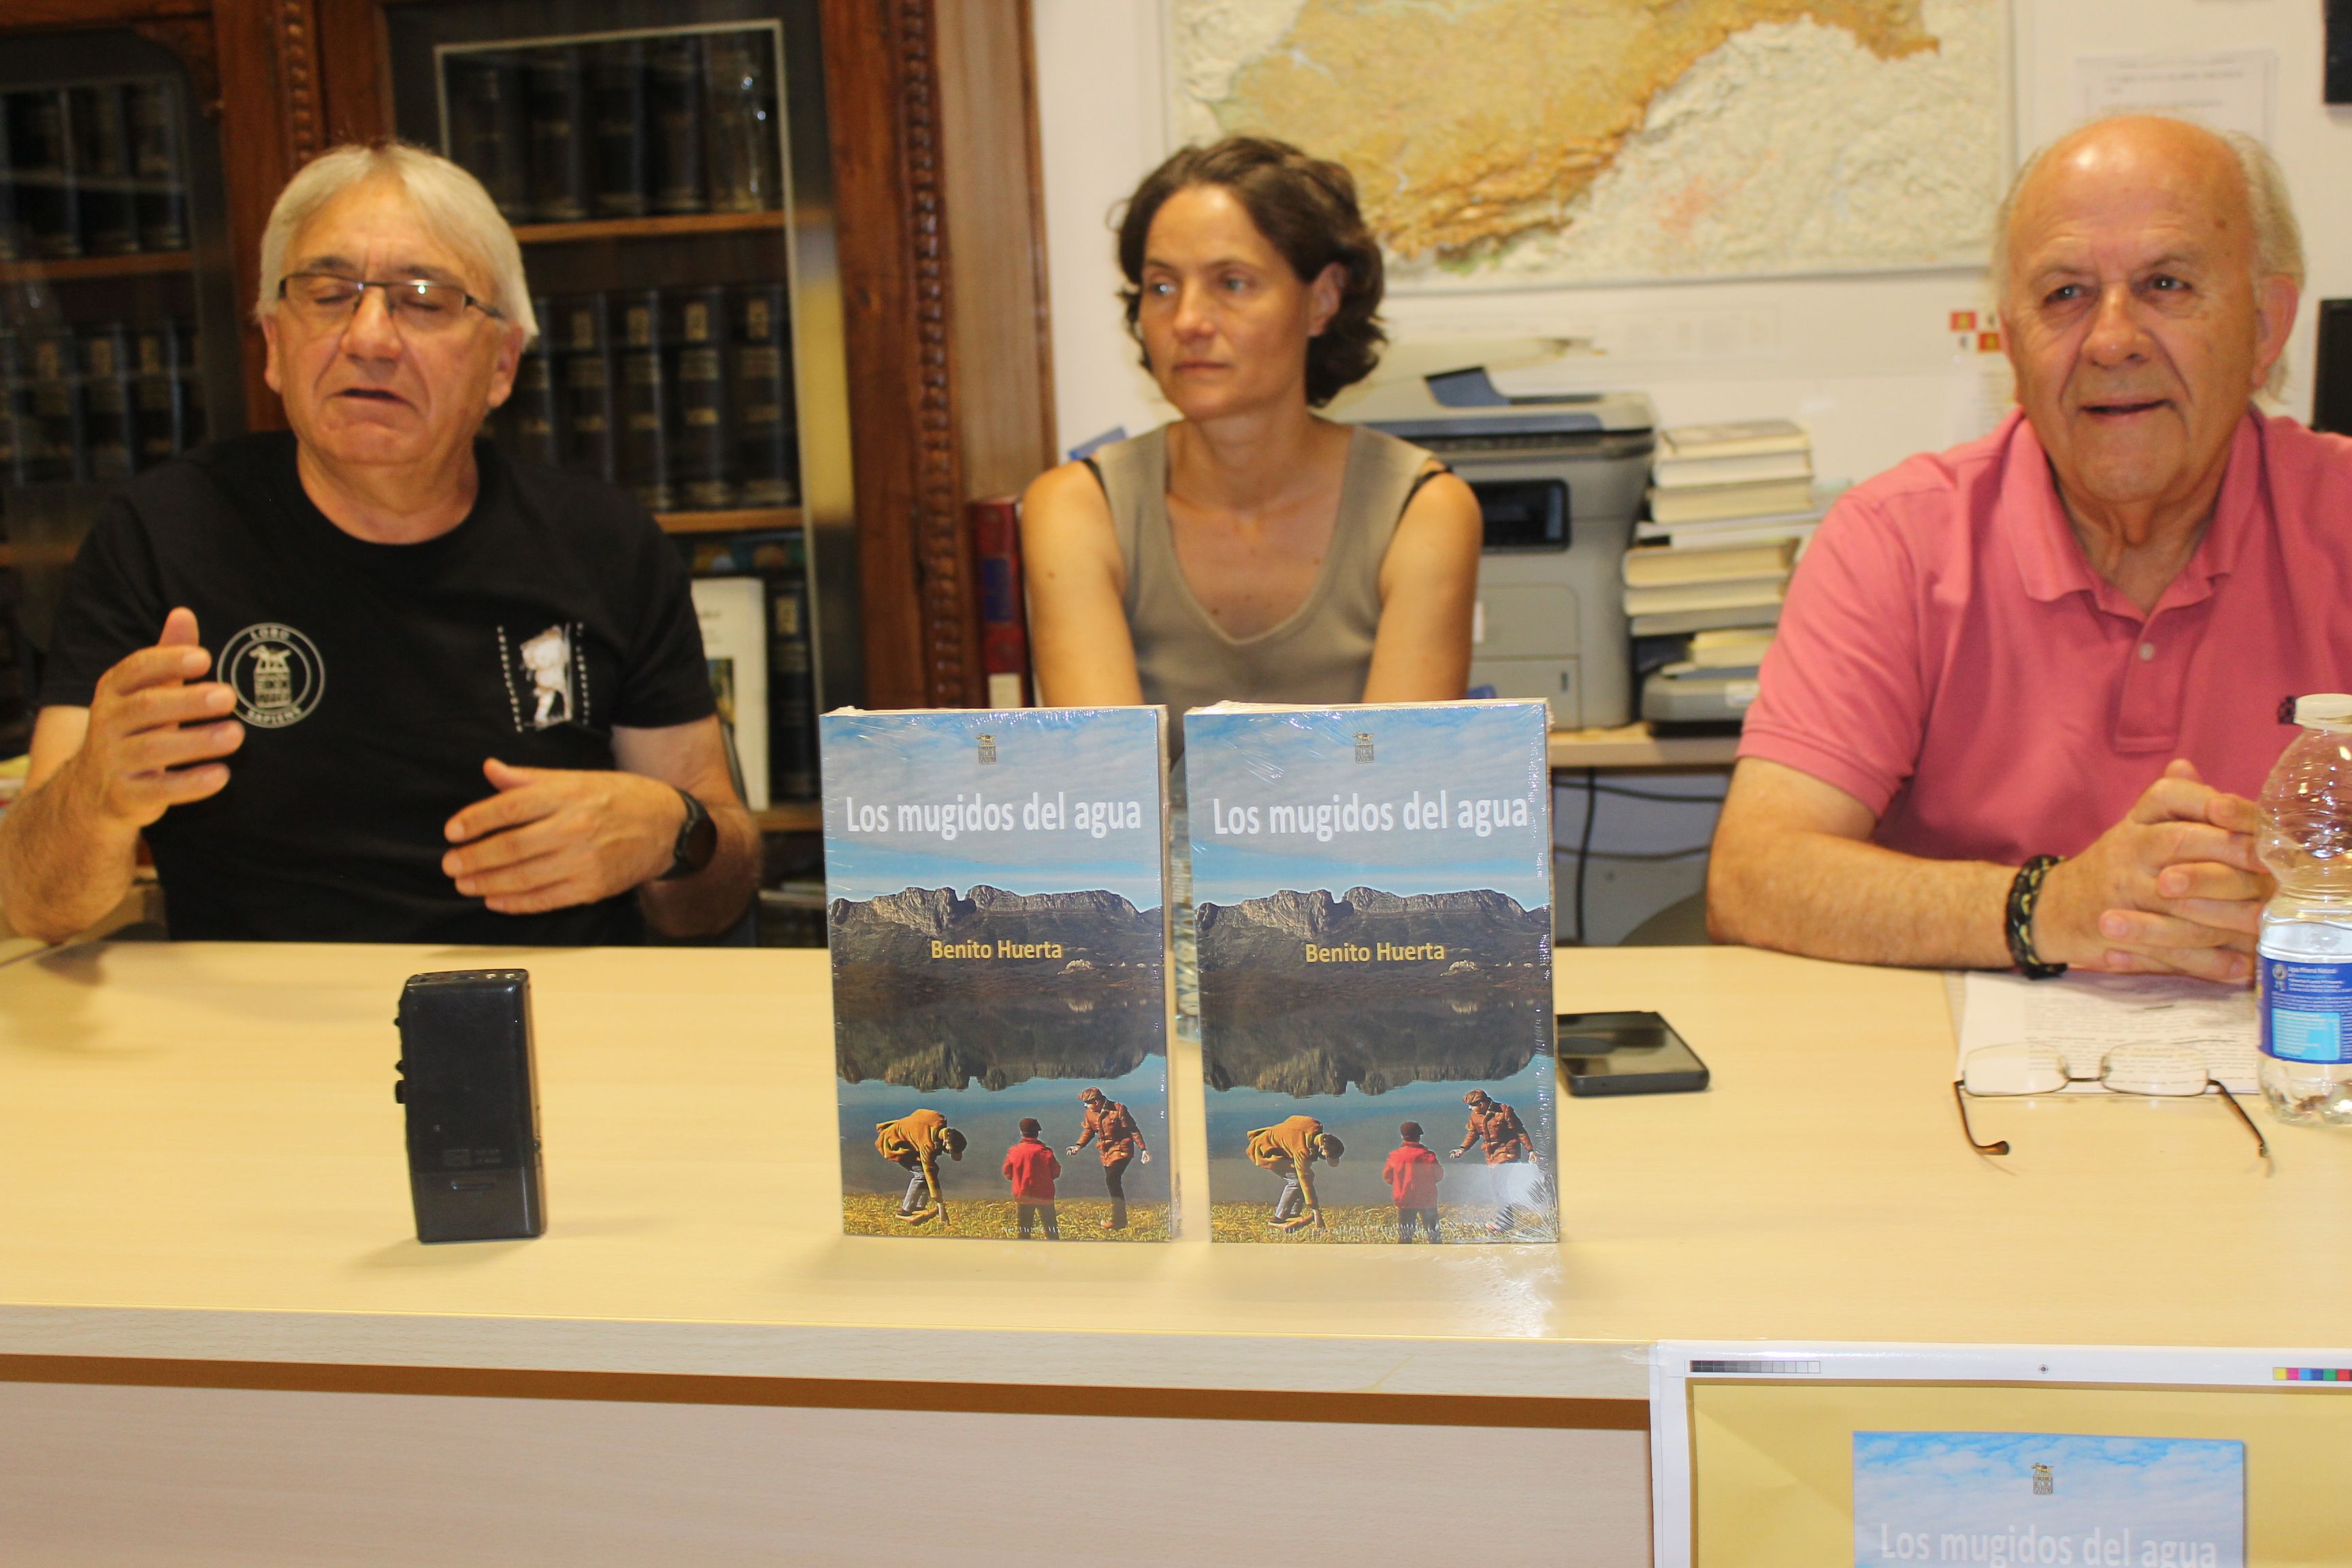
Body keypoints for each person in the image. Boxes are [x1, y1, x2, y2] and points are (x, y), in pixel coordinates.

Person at [0, 142, 757, 945]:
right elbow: (32, 905)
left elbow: (716, 898)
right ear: (273, 344)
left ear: (502, 363)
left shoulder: (605, 543)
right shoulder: (162, 531)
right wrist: (98, 795)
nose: (368, 337)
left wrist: (674, 834)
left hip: (551, 1018)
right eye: (327, 296)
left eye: (424, 300)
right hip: (251, 1038)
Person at [1709, 115, 2352, 982]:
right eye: (2064, 295)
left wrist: (2300, 896)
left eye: (2166, 283)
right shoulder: (1896, 539)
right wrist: (2049, 909)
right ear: (2012, 344)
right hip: (1956, 1090)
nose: (2111, 339)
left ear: (2268, 325)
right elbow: (1755, 877)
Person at [1018, 136, 1482, 723]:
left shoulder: (1421, 509)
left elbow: (1393, 794)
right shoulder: (1079, 508)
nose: (1187, 321)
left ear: (1322, 300)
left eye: (1232, 283)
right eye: (1162, 287)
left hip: (1354, 818)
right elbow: (1109, 793)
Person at [1450, 1089, 1537, 1234]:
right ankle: (1506, 1221)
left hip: (1508, 1153)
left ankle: (1505, 1223)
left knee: (1499, 1185)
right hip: (1491, 1155)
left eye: (1472, 1105)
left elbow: (1520, 1131)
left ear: (1482, 1103)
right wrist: (1462, 1149)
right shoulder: (1475, 1116)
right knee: (1499, 1187)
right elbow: (1473, 1134)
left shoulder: (1504, 1111)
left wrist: (1531, 1150)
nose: (1470, 1108)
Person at [1068, 1085, 1152, 1231]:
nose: (1085, 1106)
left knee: (1111, 1180)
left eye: (1087, 1103)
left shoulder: (1118, 1109)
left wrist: (1143, 1150)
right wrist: (1078, 1146)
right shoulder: (1090, 1114)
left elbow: (1133, 1129)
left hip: (1122, 1150)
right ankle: (1121, 1220)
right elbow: (1088, 1131)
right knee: (1114, 1184)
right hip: (1105, 1153)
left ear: (1097, 1102)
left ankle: (1118, 1221)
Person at [1245, 1114, 1343, 1233]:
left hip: (1275, 1144)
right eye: (1325, 1157)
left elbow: (1293, 1119)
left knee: (1305, 1177)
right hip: (1264, 1151)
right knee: (1297, 1181)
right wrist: (1316, 1212)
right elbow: (1304, 1178)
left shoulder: (1315, 1125)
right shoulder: (1302, 1150)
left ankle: (1292, 1214)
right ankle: (1278, 1219)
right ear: (1322, 1150)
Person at [877, 1109, 966, 1227]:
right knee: (922, 1174)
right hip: (893, 1143)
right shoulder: (927, 1145)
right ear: (946, 1145)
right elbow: (930, 1174)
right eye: (950, 1152)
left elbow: (918, 1112)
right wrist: (941, 1206)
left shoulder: (940, 1119)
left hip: (905, 1137)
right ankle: (905, 1212)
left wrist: (913, 1132)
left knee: (930, 1169)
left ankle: (919, 1207)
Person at [1382, 1120, 1441, 1244]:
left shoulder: (1395, 1156)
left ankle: (1404, 1261)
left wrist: (1400, 1182)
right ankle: (1436, 1260)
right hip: (1427, 1200)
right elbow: (1439, 1176)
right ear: (1419, 1137)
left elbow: (1388, 1177)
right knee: (1434, 1236)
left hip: (1405, 1200)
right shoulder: (1428, 1156)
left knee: (1405, 1237)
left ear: (1403, 1137)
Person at [1003, 1117, 1061, 1241]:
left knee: (1024, 1231)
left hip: (1023, 1195)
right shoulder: (1046, 1152)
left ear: (1021, 1133)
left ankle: (1023, 1256)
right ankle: (1056, 1253)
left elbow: (1007, 1173)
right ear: (1037, 1134)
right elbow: (1056, 1173)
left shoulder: (1014, 1151)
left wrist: (1019, 1177)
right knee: (1051, 1230)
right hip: (1044, 1196)